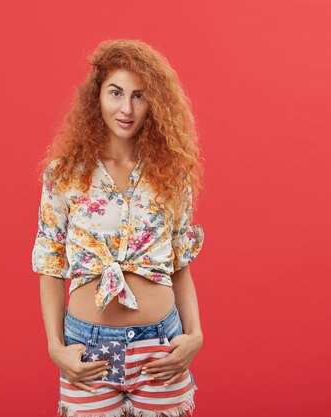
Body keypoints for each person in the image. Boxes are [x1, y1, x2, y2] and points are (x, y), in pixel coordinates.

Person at [32, 39, 205, 417]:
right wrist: (55, 347)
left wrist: (195, 336)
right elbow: (50, 263)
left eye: (139, 96)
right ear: (97, 97)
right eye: (116, 93)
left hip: (160, 347)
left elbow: (179, 264)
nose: (126, 108)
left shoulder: (172, 176)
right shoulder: (64, 175)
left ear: (154, 104)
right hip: (90, 350)